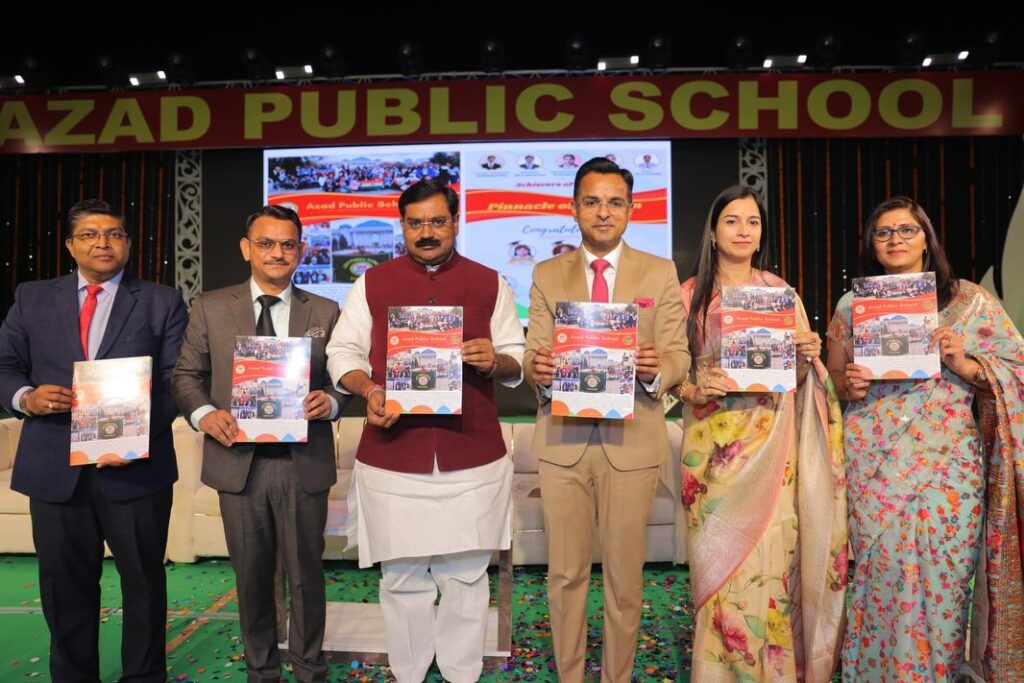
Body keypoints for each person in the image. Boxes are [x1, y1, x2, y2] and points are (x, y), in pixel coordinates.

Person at [326, 180, 525, 683]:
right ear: (403, 226)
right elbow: (341, 352)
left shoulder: (490, 283)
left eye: (437, 221)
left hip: (471, 454)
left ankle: (461, 673)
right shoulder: (372, 283)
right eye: (415, 223)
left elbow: (516, 358)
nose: (427, 232)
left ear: (456, 222)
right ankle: (409, 673)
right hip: (394, 456)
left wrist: (495, 360)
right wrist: (369, 389)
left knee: (466, 577)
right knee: (401, 577)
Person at [826, 196, 1024, 683]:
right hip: (874, 462)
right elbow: (834, 380)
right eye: (883, 232)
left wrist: (965, 363)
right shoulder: (853, 305)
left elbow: (1016, 368)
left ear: (926, 239)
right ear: (872, 245)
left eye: (906, 230)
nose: (895, 239)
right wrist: (849, 385)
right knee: (880, 575)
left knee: (944, 579)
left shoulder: (969, 301)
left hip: (947, 467)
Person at [0, 199, 188, 683]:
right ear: (70, 245)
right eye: (89, 234)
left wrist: (133, 436)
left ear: (128, 243)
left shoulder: (162, 300)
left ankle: (144, 676)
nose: (103, 242)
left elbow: (178, 380)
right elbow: (5, 366)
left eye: (114, 234)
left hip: (136, 469)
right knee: (64, 588)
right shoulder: (32, 297)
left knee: (144, 584)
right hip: (54, 469)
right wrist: (26, 397)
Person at [523, 157, 688, 682]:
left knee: (625, 582)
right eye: (592, 201)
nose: (603, 212)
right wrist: (538, 370)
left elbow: (680, 354)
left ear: (631, 209)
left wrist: (659, 368)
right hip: (562, 442)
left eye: (615, 202)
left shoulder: (659, 271)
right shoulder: (547, 274)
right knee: (564, 576)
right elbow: (533, 352)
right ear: (574, 209)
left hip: (632, 442)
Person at [676, 185, 847, 681]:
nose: (743, 230)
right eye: (731, 221)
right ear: (712, 232)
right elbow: (671, 376)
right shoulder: (688, 295)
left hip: (774, 448)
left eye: (753, 222)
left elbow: (796, 379)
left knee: (772, 561)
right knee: (720, 569)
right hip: (711, 455)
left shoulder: (780, 294)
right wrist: (693, 387)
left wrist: (805, 356)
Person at [172, 205, 346, 683]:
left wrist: (331, 402)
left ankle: (309, 669)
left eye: (288, 244)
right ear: (246, 248)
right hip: (238, 462)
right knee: (251, 577)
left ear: (301, 251)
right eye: (266, 243)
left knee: (306, 576)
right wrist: (206, 415)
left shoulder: (325, 310)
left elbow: (342, 380)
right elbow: (186, 375)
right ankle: (262, 671)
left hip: (302, 462)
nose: (277, 253)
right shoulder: (210, 306)